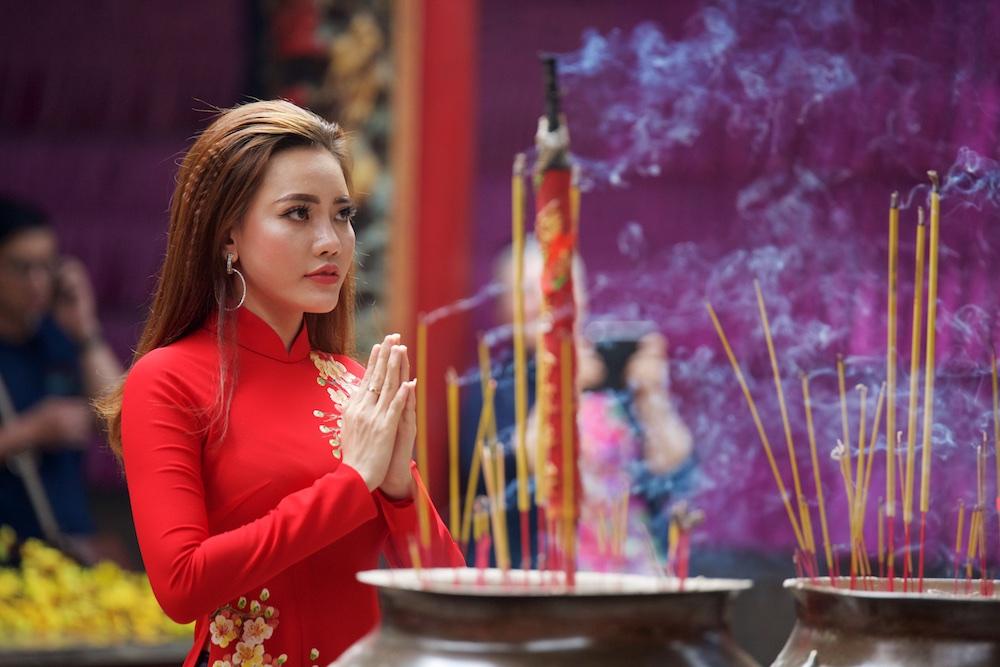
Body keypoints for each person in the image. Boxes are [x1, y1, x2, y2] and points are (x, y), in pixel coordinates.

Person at [96, 100, 463, 667]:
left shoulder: (353, 387)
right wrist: (352, 484)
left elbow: (449, 595)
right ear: (228, 235)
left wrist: (397, 488)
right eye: (298, 213)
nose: (330, 241)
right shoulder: (168, 380)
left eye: (343, 214)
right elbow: (181, 585)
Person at [0, 197, 122, 562]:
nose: (38, 282)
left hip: (68, 552)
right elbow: (34, 431)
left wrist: (86, 331)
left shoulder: (62, 339)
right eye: (22, 267)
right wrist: (29, 432)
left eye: (47, 266)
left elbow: (125, 420)